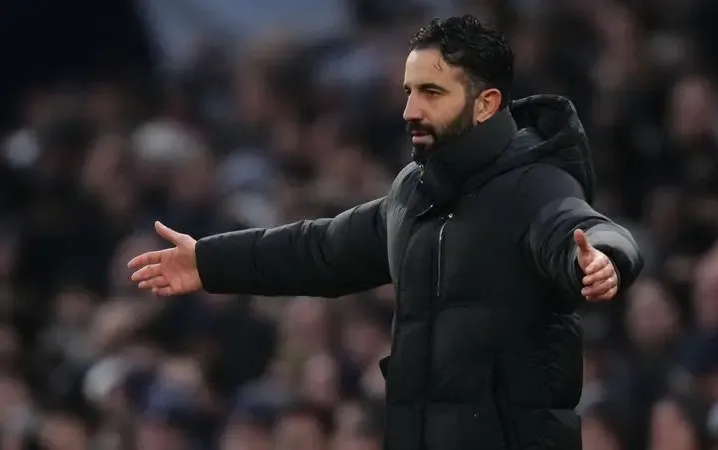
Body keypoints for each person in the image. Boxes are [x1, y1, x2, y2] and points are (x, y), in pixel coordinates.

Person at [129, 15, 643, 450]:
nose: (410, 111)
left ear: (485, 104)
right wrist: (210, 261)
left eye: (431, 92)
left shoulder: (535, 185)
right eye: (409, 92)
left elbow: (582, 228)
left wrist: (604, 259)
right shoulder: (414, 192)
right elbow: (323, 250)